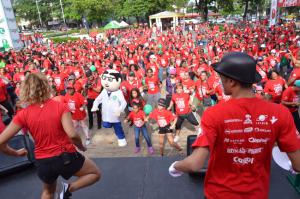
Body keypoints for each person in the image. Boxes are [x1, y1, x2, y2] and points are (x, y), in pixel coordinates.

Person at [169, 52, 300, 199]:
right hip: (257, 194)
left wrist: (175, 166)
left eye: (221, 78)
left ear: (231, 82)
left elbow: (195, 164)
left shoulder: (214, 114)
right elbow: (298, 164)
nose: (219, 82)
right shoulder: (281, 113)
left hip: (218, 194)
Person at [0, 73, 101, 199]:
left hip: (43, 162)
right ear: (45, 86)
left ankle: (63, 190)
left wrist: (16, 153)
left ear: (25, 90)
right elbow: (73, 134)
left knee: (48, 192)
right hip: (65, 157)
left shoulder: (23, 114)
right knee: (95, 173)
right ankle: (68, 188)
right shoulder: (60, 107)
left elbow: (1, 142)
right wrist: (81, 147)